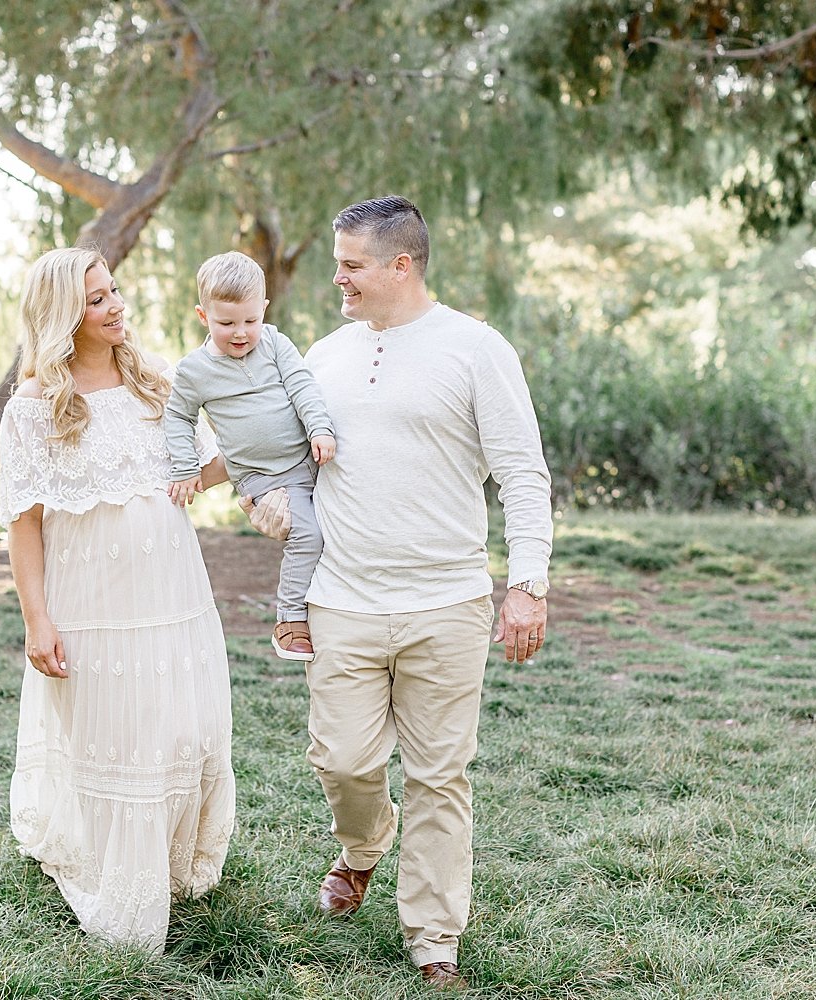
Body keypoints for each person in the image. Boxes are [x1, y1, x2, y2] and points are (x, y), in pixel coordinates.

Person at [301, 195, 553, 989]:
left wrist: (528, 585)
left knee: (442, 775)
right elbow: (285, 459)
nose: (337, 277)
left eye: (351, 264)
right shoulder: (323, 355)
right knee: (341, 761)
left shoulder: (475, 349)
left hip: (445, 601)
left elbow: (521, 473)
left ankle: (434, 935)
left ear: (400, 265)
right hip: (340, 597)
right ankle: (366, 843)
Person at [0, 246, 235, 950]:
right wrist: (37, 620)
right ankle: (119, 876)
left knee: (180, 729)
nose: (116, 306)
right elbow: (23, 523)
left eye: (115, 291)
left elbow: (207, 467)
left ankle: (174, 860)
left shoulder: (156, 379)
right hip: (92, 601)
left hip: (174, 589)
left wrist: (261, 442)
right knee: (118, 736)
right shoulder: (34, 407)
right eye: (98, 299)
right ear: (64, 316)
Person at [163, 251, 336, 662]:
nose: (240, 333)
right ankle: (290, 619)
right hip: (262, 477)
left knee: (340, 525)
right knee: (307, 533)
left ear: (264, 309)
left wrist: (320, 428)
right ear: (203, 316)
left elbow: (303, 387)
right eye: (226, 323)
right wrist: (187, 469)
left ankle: (338, 607)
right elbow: (177, 416)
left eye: (249, 321)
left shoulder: (275, 342)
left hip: (308, 459)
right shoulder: (193, 371)